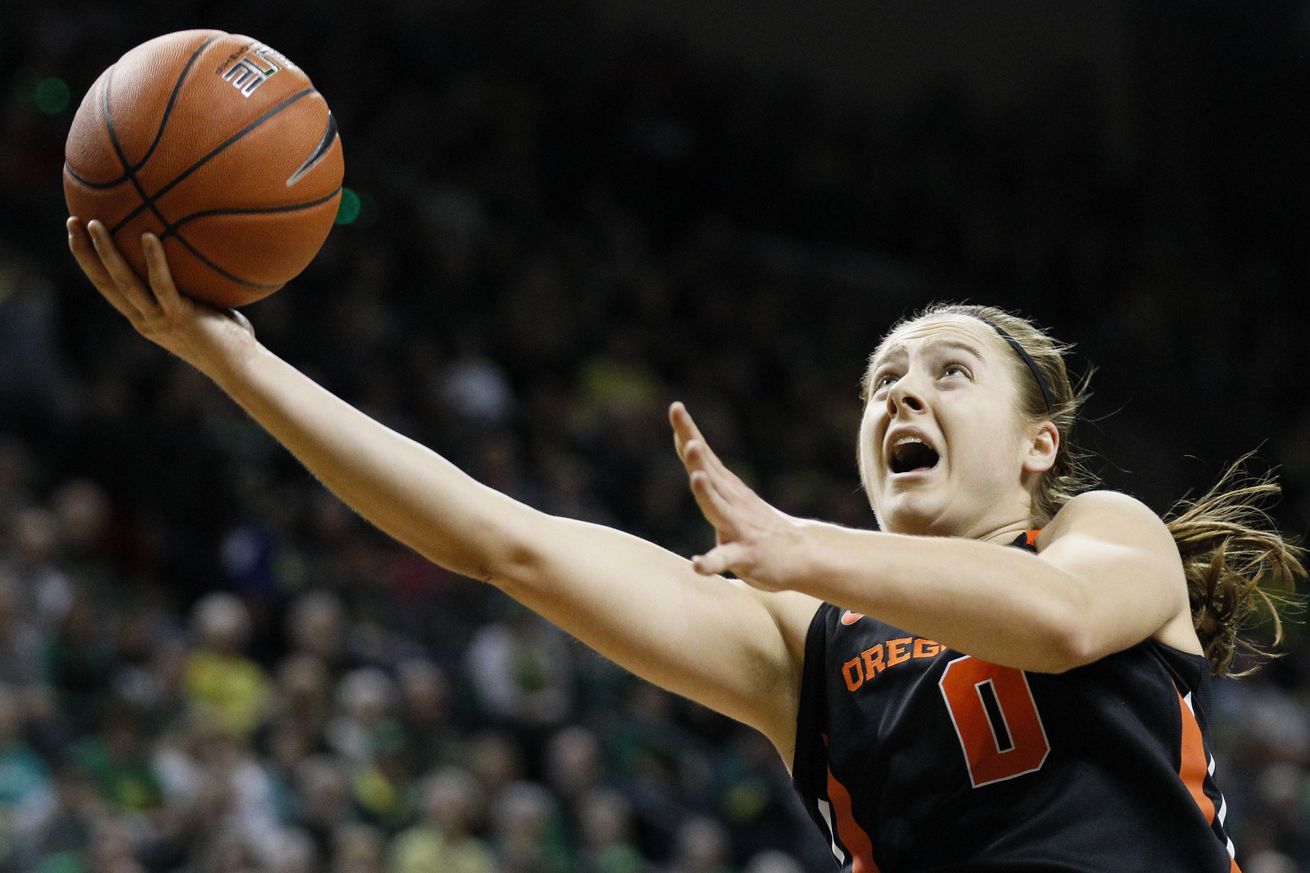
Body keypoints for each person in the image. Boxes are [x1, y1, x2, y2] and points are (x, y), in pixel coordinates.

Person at [66, 218, 1303, 873]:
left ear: (1039, 445)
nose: (899, 396)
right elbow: (506, 544)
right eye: (880, 379)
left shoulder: (1099, 532)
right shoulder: (799, 634)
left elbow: (1060, 625)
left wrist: (802, 546)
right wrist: (232, 360)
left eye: (946, 372)